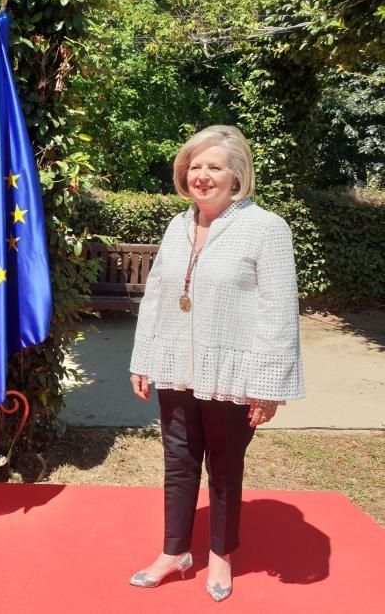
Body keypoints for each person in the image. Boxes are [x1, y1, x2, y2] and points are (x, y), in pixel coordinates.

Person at [128, 125, 304, 602]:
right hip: (176, 366)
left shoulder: (266, 228)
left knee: (224, 465)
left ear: (237, 175)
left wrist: (268, 384)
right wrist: (143, 357)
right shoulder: (176, 226)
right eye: (194, 167)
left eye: (214, 167)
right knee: (178, 460)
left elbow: (278, 309)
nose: (202, 176)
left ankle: (222, 555)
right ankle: (175, 551)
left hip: (233, 374)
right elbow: (159, 295)